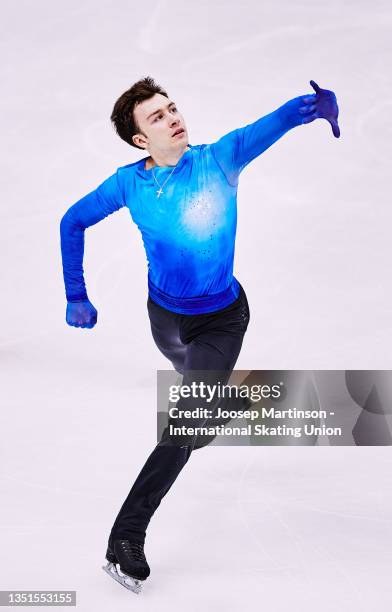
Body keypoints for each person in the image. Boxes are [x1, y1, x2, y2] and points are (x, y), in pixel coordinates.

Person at [59, 76, 340, 593]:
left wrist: (311, 108)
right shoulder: (128, 184)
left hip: (221, 319)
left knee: (185, 427)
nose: (173, 118)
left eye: (172, 108)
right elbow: (72, 221)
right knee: (199, 406)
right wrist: (76, 293)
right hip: (164, 319)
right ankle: (216, 401)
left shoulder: (218, 161)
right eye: (158, 117)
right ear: (141, 139)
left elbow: (266, 127)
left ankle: (126, 535)